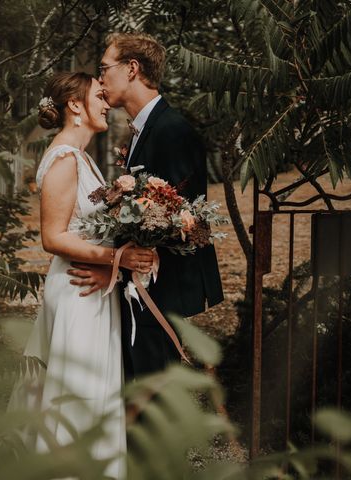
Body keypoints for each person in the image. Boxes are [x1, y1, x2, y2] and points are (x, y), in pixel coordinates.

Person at [7, 71, 153, 480]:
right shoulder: (64, 159)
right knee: (79, 399)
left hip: (92, 289)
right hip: (76, 294)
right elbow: (52, 238)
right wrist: (117, 258)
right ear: (76, 105)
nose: (106, 102)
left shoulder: (82, 156)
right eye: (97, 96)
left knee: (95, 397)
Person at [68, 33, 224, 380]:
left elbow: (180, 221)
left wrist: (113, 270)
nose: (102, 77)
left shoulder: (171, 130)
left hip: (163, 291)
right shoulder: (145, 130)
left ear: (132, 69)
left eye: (105, 68)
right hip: (145, 286)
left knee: (151, 399)